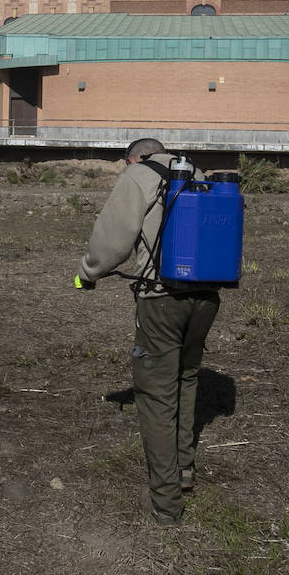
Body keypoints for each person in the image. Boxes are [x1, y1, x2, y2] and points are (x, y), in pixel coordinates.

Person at [74, 138, 221, 526]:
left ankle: (166, 503)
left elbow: (113, 240)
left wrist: (87, 273)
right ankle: (184, 469)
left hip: (161, 300)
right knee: (186, 377)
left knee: (155, 395)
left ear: (134, 158)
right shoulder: (199, 175)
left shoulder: (139, 176)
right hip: (206, 297)